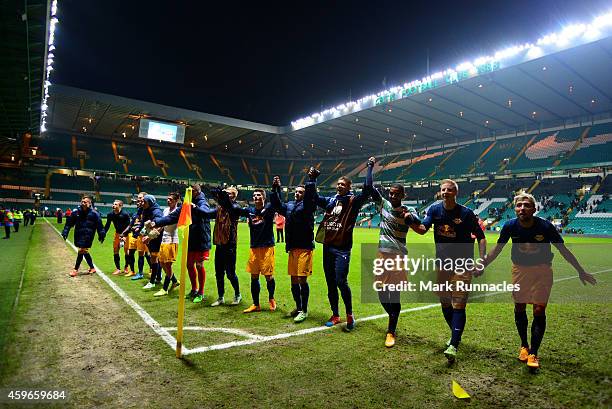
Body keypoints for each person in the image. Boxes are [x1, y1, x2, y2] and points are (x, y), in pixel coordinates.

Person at [484, 192, 596, 369]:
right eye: (519, 205)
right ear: (515, 209)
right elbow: (497, 250)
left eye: (527, 205)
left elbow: (563, 250)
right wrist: (483, 264)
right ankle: (524, 346)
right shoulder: (509, 226)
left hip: (542, 270)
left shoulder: (545, 227)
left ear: (534, 209)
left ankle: (534, 353)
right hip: (519, 269)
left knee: (539, 309)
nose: (522, 208)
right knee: (519, 306)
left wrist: (580, 271)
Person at [412, 179, 486, 362]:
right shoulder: (434, 209)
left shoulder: (467, 214)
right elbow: (422, 229)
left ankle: (453, 344)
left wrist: (482, 260)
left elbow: (481, 237)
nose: (445, 192)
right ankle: (455, 335)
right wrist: (410, 221)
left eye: (449, 190)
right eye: (443, 189)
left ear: (456, 192)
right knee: (445, 303)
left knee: (458, 303)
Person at [314, 157, 375, 330]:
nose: (339, 186)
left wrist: (370, 167)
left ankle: (349, 314)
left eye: (343, 184)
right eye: (338, 184)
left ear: (349, 187)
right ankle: (335, 314)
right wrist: (312, 180)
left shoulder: (353, 202)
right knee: (330, 283)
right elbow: (314, 197)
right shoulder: (331, 201)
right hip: (327, 246)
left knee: (341, 280)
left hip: (342, 249)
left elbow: (368, 189)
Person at [370, 183, 420, 347]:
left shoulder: (408, 209)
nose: (392, 196)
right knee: (381, 292)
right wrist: (370, 166)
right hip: (382, 254)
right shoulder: (384, 204)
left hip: (398, 256)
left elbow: (417, 220)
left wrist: (409, 218)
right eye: (391, 193)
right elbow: (369, 188)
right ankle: (393, 315)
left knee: (394, 294)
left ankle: (391, 331)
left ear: (402, 195)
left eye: (396, 194)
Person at [216, 187, 276, 313]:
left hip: (267, 247)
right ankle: (256, 304)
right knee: (254, 277)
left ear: (264, 198)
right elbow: (234, 209)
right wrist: (224, 198)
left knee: (268, 277)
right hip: (254, 248)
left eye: (258, 195)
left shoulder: (269, 209)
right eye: (254, 195)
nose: (255, 197)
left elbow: (277, 201)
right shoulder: (250, 211)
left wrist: (275, 188)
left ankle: (271, 298)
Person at [270, 168, 318, 323]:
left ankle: (304, 310)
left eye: (300, 192)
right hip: (292, 248)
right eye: (296, 192)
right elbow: (277, 205)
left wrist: (311, 180)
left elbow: (311, 197)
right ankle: (298, 307)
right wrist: (275, 188)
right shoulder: (290, 206)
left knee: (302, 280)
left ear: (305, 194)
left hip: (304, 247)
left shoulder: (308, 206)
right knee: (293, 280)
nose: (297, 194)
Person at [153, 184, 215, 303]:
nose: (187, 194)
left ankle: (201, 292)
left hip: (202, 239)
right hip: (190, 239)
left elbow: (206, 212)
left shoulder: (202, 201)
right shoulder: (187, 202)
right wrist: (156, 222)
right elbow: (172, 217)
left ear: (196, 192)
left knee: (199, 265)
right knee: (189, 265)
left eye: (190, 192)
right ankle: (193, 289)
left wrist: (195, 207)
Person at [210, 187, 242, 307]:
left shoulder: (235, 208)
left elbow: (229, 206)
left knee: (230, 273)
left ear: (234, 196)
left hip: (230, 246)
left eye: (229, 194)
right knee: (219, 273)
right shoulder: (220, 208)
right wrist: (195, 208)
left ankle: (238, 294)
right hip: (219, 244)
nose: (226, 195)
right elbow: (208, 214)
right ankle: (220, 297)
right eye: (226, 193)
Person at [62, 196, 105, 277]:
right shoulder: (76, 212)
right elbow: (69, 223)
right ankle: (92, 268)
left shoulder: (95, 214)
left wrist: (101, 234)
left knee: (81, 250)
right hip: (78, 234)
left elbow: (99, 225)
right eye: (82, 202)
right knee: (84, 251)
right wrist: (65, 231)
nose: (83, 203)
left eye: (85, 202)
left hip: (88, 235)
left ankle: (75, 269)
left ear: (89, 203)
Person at [153, 192, 181, 297]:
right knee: (162, 263)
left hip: (172, 240)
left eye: (171, 199)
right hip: (164, 239)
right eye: (167, 199)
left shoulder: (178, 212)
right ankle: (174, 281)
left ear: (176, 200)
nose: (168, 201)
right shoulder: (165, 210)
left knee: (168, 265)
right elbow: (161, 224)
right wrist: (152, 235)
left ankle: (165, 288)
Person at [139, 195, 165, 290]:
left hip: (156, 238)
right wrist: (143, 231)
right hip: (151, 237)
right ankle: (158, 277)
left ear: (149, 202)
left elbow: (160, 225)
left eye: (144, 202)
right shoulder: (146, 210)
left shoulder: (156, 211)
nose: (142, 203)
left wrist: (149, 237)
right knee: (155, 258)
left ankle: (152, 281)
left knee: (154, 259)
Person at [104, 200, 132, 275]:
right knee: (115, 250)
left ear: (120, 206)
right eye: (113, 204)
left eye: (115, 204)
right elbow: (107, 225)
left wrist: (124, 235)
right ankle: (118, 268)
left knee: (127, 251)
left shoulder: (125, 214)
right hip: (117, 234)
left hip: (126, 235)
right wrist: (103, 233)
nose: (113, 205)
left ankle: (126, 267)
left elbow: (129, 226)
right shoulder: (110, 214)